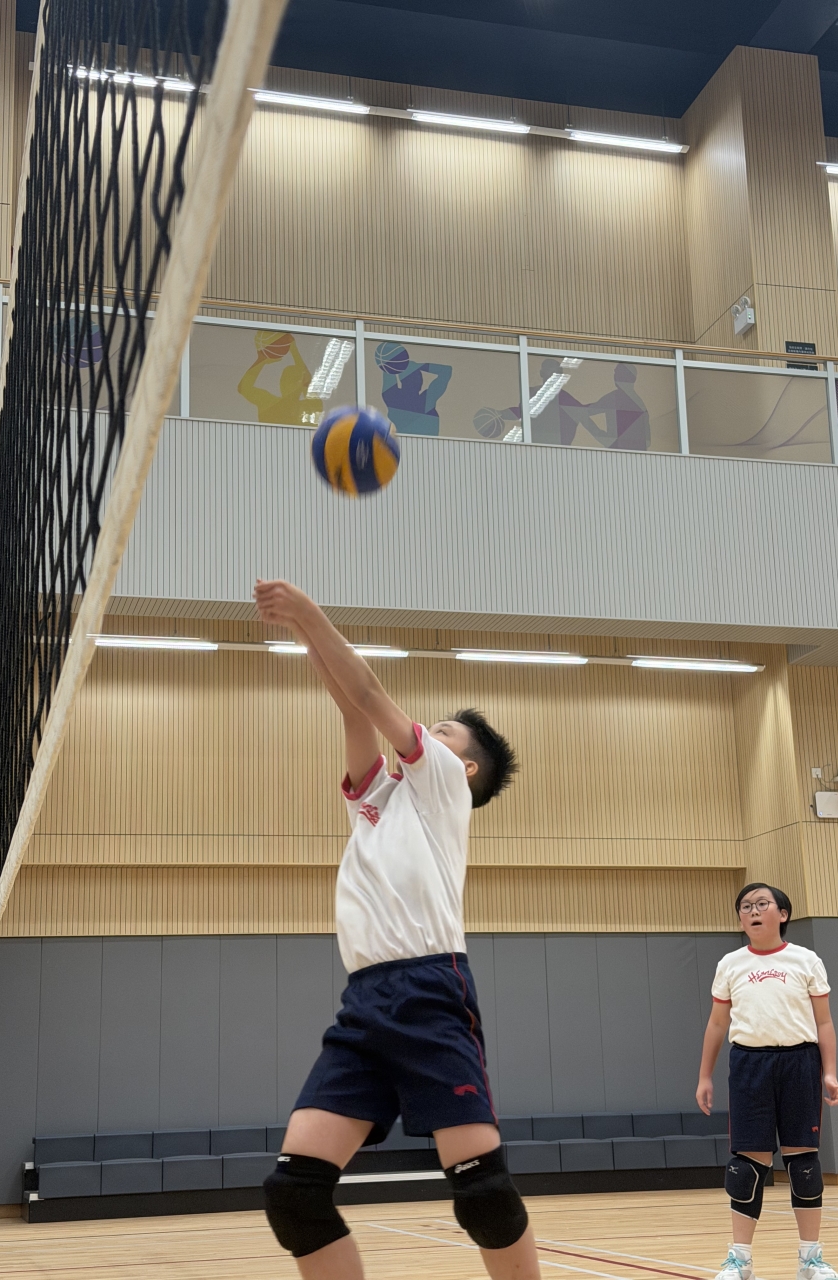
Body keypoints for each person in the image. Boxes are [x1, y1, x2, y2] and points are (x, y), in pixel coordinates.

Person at [253, 578, 540, 1280]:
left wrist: (311, 614)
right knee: (294, 1195)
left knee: (482, 1195)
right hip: (364, 1003)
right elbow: (350, 705)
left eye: (444, 730)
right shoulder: (378, 800)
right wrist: (305, 638)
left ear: (463, 765)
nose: (429, 732)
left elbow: (369, 692)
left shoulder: (442, 784)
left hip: (429, 991)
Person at [697, 883, 838, 1280]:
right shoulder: (730, 964)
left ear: (783, 913)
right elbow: (717, 1023)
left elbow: (824, 1022)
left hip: (800, 1062)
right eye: (745, 906)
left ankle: (810, 1260)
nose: (752, 911)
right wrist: (705, 1075)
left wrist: (829, 1071)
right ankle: (740, 1261)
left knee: (804, 1163)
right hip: (749, 1064)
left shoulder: (806, 960)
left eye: (762, 904)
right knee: (746, 1166)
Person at [238, 332, 323, 425]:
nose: (284, 383)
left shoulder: (269, 403)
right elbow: (243, 388)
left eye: (290, 380)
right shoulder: (268, 402)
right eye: (284, 380)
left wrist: (293, 349)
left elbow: (306, 379)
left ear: (300, 384)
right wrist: (261, 359)